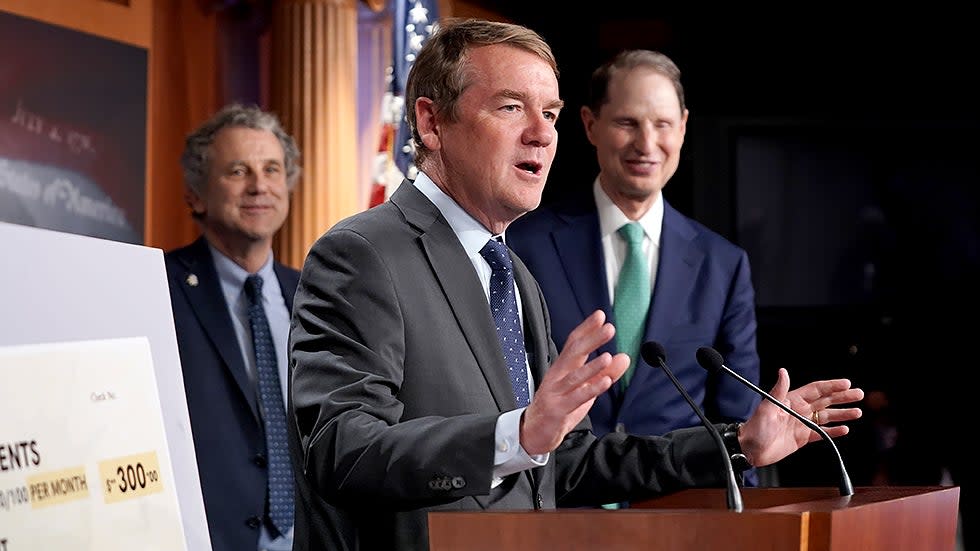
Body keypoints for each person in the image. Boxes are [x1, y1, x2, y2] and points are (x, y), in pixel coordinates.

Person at [288, 18, 863, 551]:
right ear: (432, 122)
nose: (541, 135)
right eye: (511, 107)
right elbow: (344, 450)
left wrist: (737, 444)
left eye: (551, 113)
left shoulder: (511, 274)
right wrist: (517, 433)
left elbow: (572, 462)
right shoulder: (363, 254)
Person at [507, 50, 763, 488]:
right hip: (559, 505)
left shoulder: (723, 264)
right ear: (590, 125)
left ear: (682, 127)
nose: (646, 144)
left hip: (679, 510)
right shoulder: (523, 244)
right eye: (627, 123)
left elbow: (739, 420)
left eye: (662, 124)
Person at [164, 103, 301, 551]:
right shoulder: (157, 288)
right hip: (206, 537)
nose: (259, 186)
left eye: (272, 169)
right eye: (238, 171)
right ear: (196, 195)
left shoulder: (318, 297)